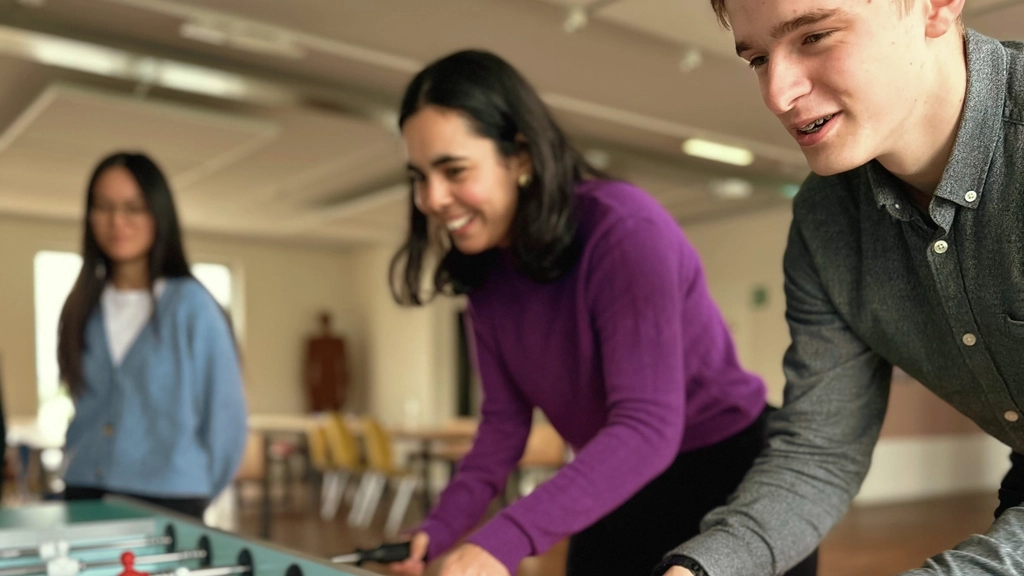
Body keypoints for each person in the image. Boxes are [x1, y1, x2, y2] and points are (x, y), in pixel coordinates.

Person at [385, 50, 818, 576]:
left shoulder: (623, 230)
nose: (432, 198)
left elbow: (648, 426)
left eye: (453, 170)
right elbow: (503, 425)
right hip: (617, 469)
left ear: (520, 157)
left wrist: (503, 540)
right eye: (419, 176)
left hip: (730, 471)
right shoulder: (486, 274)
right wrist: (438, 530)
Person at [658, 1, 1024, 575]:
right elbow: (818, 453)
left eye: (815, 36)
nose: (777, 94)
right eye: (758, 59)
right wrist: (699, 570)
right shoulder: (827, 220)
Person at [56, 152, 248, 519]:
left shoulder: (192, 306)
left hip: (170, 499)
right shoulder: (82, 306)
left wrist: (193, 488)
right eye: (103, 207)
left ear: (159, 214)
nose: (117, 221)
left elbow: (227, 421)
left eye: (134, 208)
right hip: (84, 491)